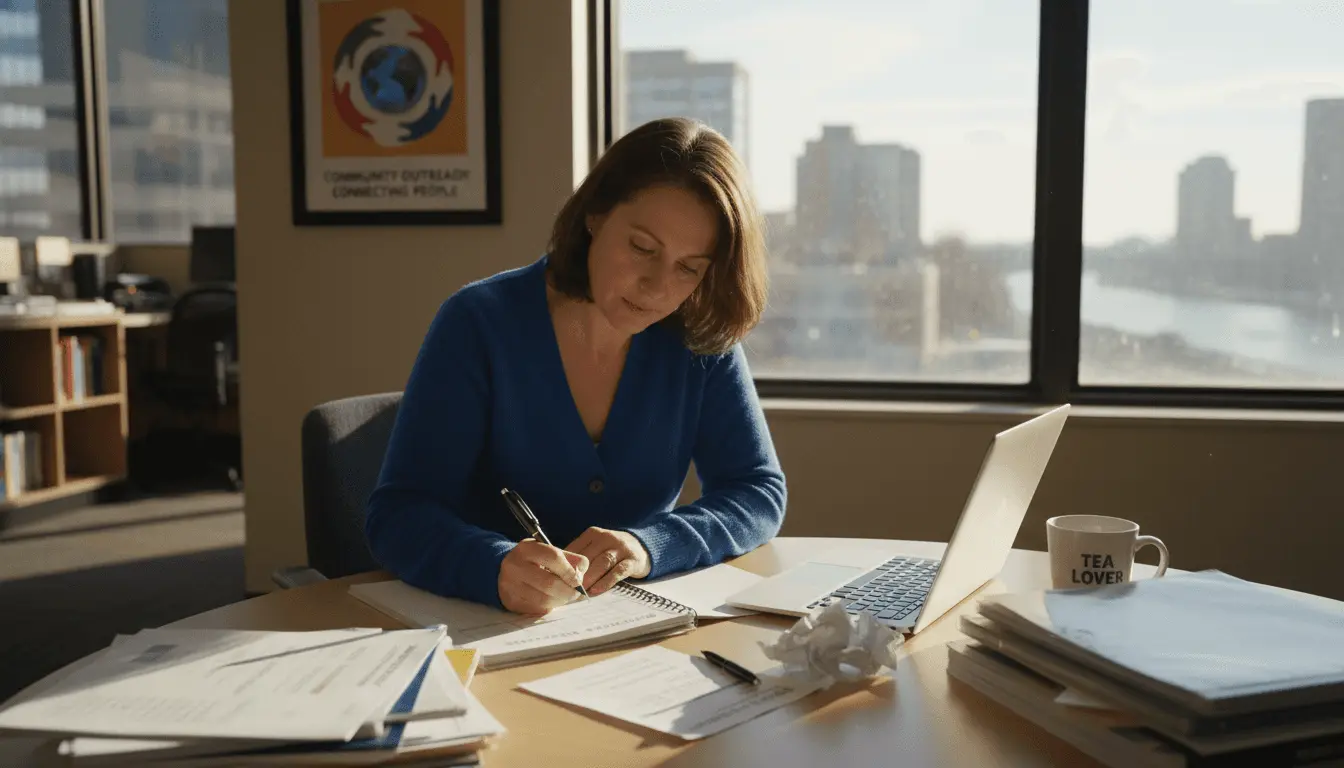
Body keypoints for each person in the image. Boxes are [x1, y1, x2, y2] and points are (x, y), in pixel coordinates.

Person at [364, 117, 785, 616]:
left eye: (689, 268)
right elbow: (398, 515)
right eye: (642, 248)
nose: (656, 285)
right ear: (596, 215)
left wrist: (649, 546)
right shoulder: (480, 323)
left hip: (634, 628)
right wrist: (492, 565)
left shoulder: (699, 336)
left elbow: (758, 492)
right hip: (481, 627)